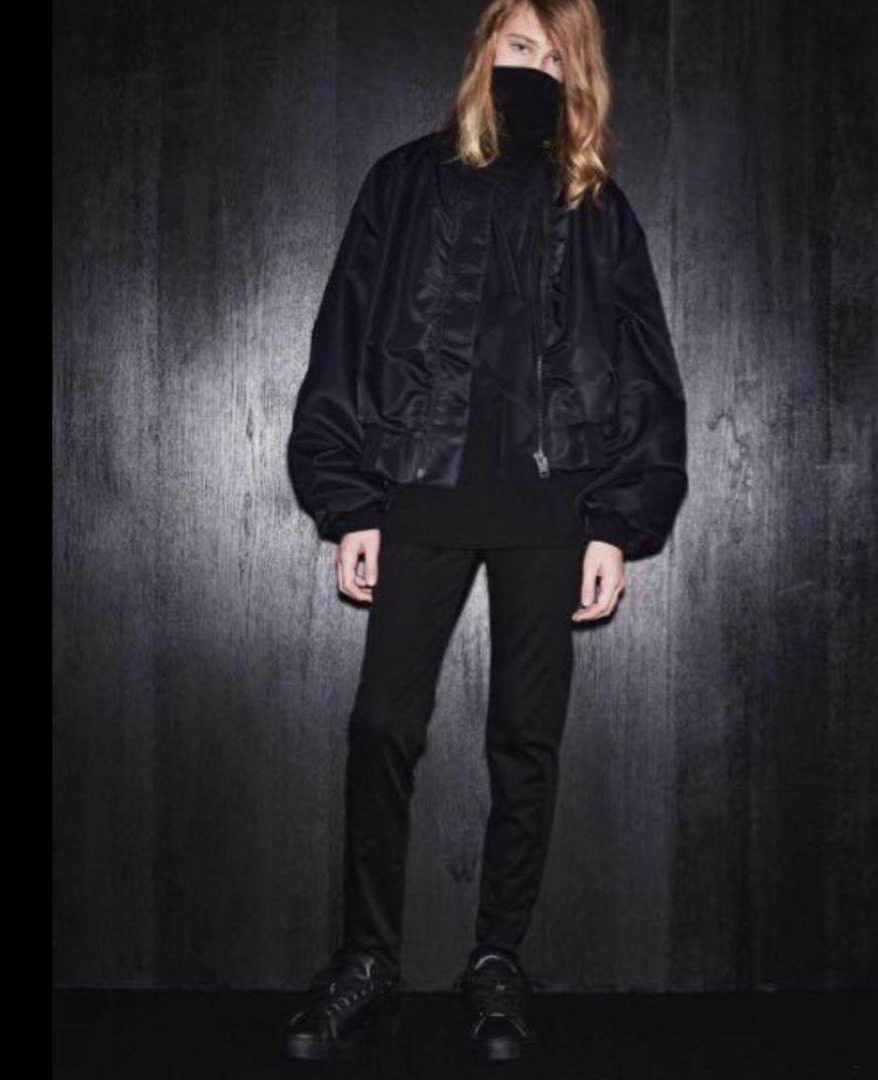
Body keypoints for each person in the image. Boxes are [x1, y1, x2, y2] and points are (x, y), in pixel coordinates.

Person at [283, 0, 688, 1063]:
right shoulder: (404, 182)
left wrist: (616, 522)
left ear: (578, 74)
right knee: (382, 726)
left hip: (551, 504)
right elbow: (345, 335)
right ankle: (367, 961)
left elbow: (642, 367)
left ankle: (496, 959)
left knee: (525, 739)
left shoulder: (593, 203)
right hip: (421, 488)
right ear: (481, 52)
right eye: (516, 46)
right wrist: (349, 500)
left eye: (554, 56)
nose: (531, 68)